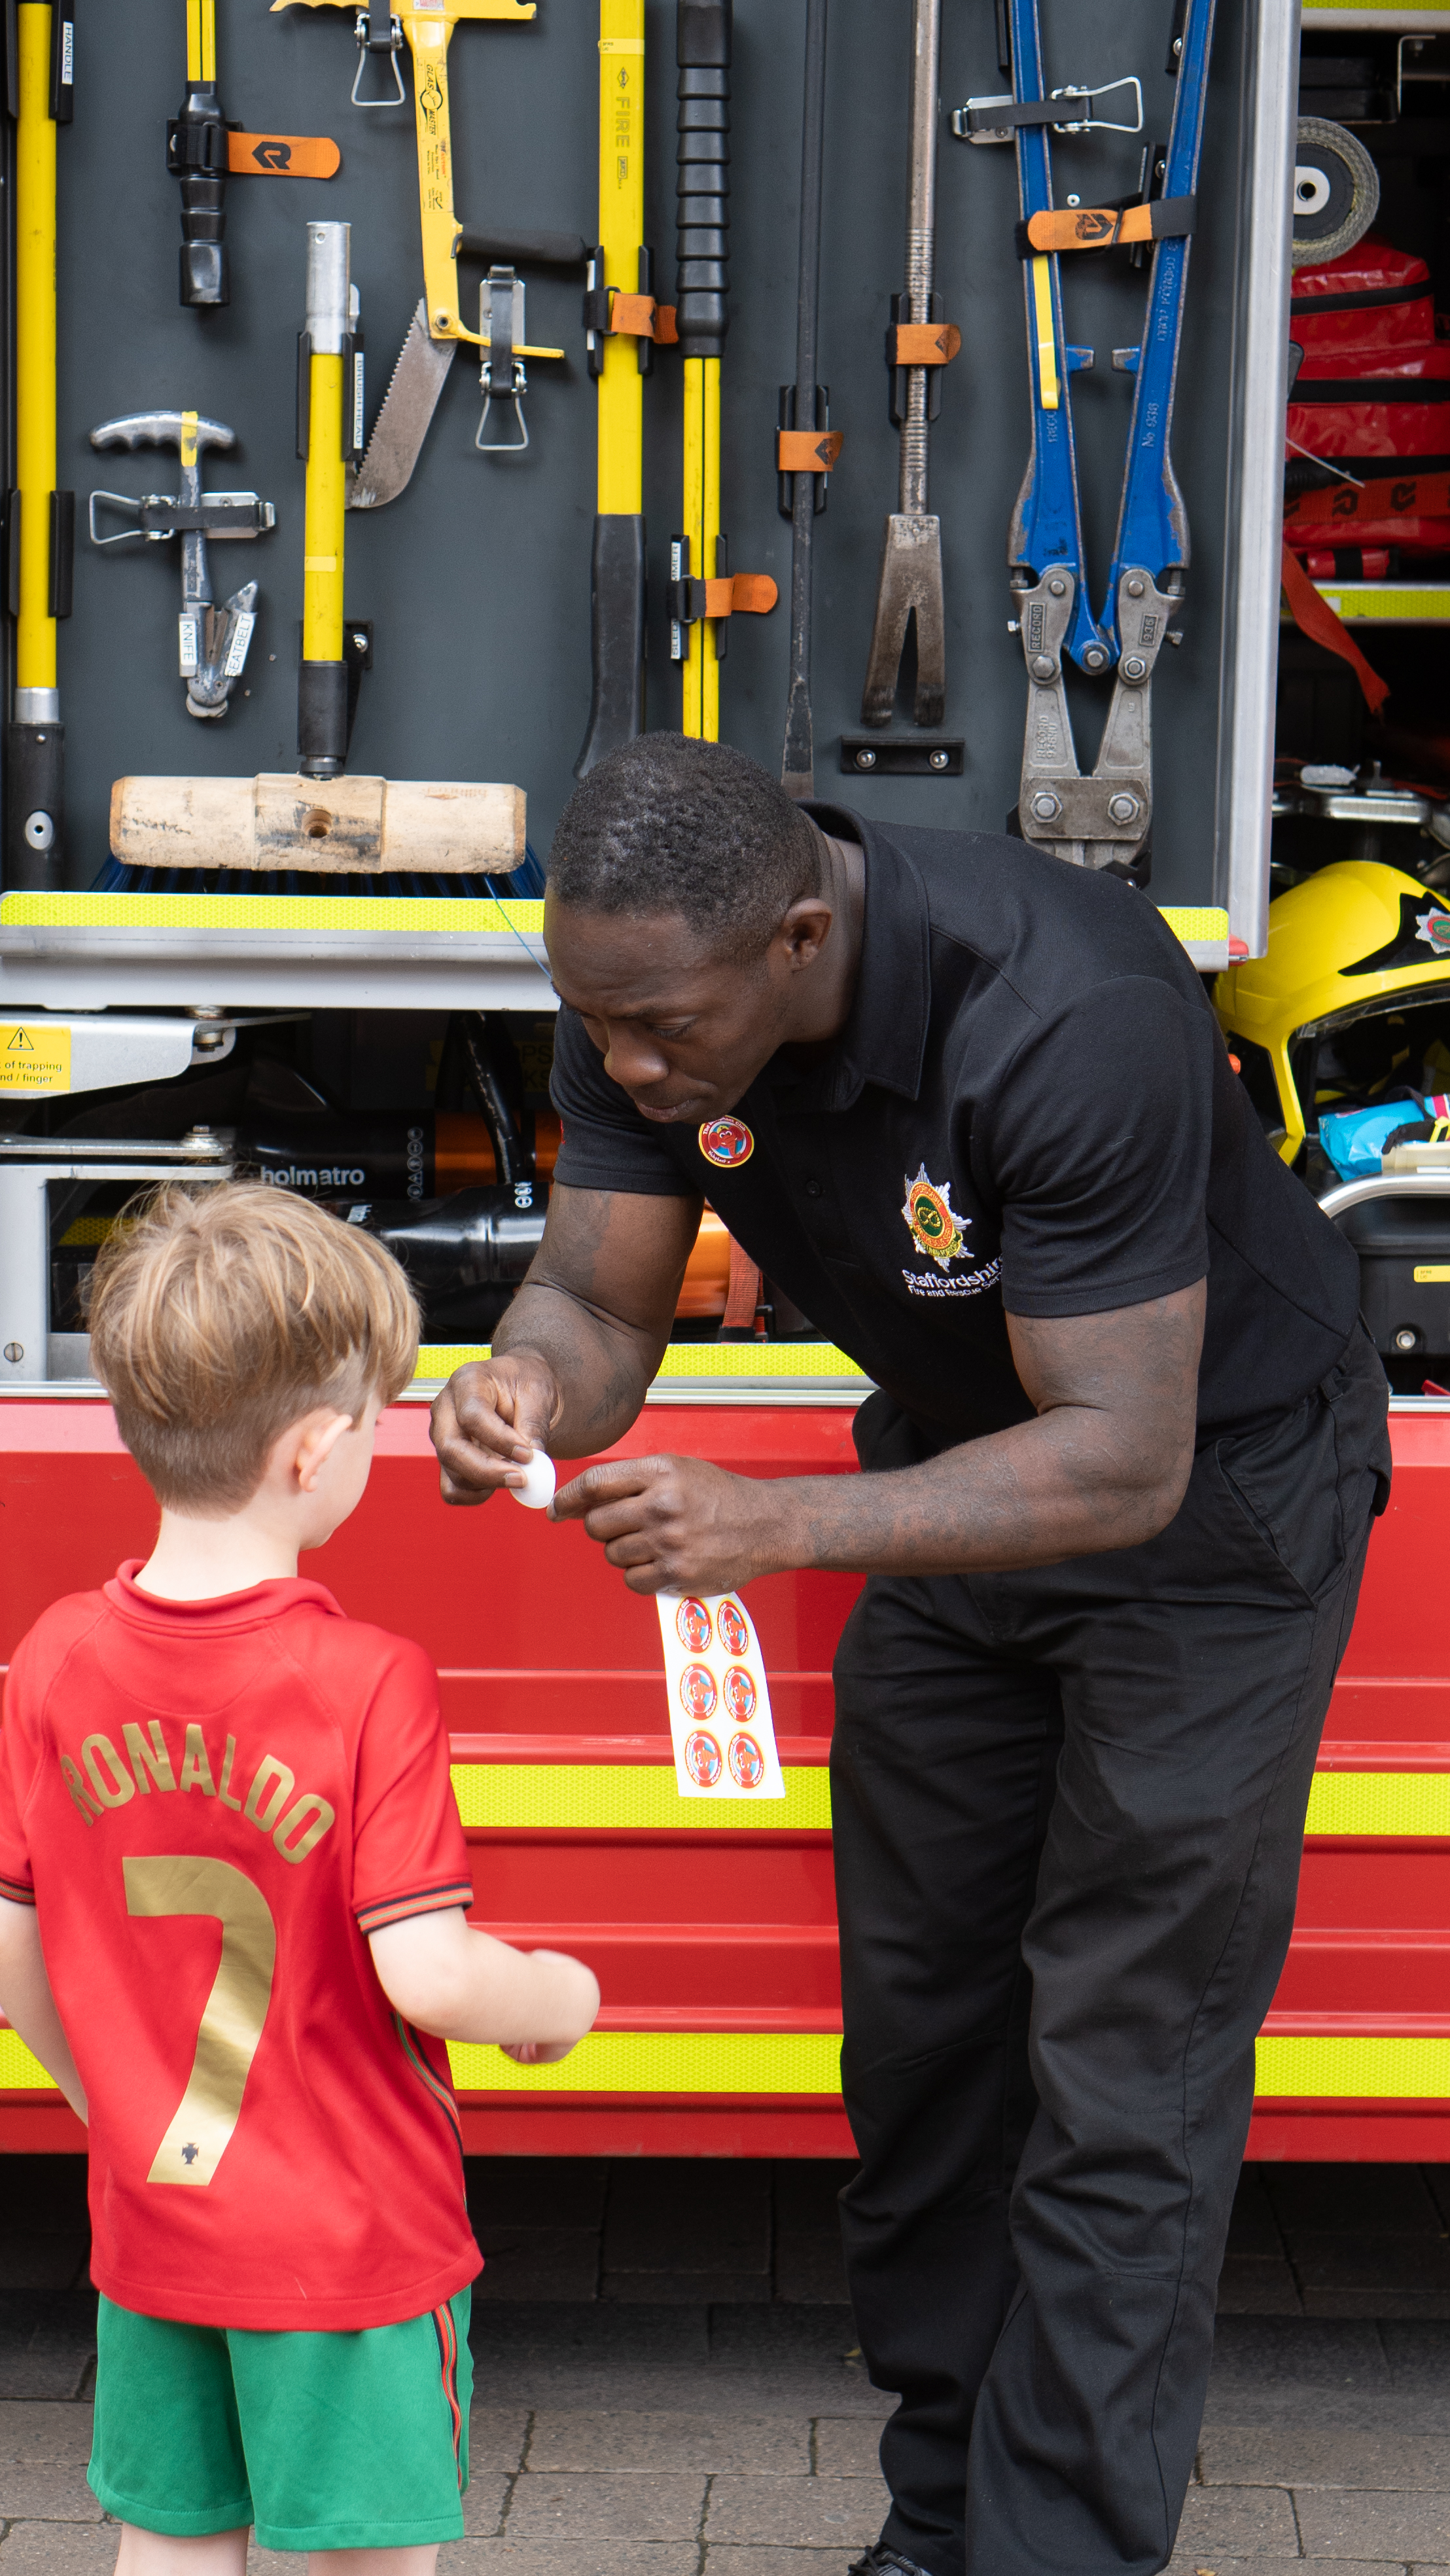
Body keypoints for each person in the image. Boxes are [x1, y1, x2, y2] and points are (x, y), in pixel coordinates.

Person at [431, 733, 1392, 2576]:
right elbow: (598, 1295)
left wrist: (782, 1524)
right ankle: (945, 2508)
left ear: (801, 937)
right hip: (963, 1489)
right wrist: (521, 1386)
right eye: (597, 1027)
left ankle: (1055, 2554)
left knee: (1126, 2059)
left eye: (660, 1034)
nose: (626, 1067)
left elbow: (1122, 1454)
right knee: (932, 2043)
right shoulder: (650, 979)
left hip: (1216, 1512)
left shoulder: (1067, 1011)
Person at [0, 1185, 598, 2576]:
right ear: (315, 1449)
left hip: (153, 2219)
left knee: (171, 2544)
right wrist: (555, 1993)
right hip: (351, 2244)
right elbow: (429, 1973)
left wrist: (114, 2109)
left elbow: (12, 1953)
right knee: (366, 2559)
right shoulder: (363, 1680)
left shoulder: (58, 1655)